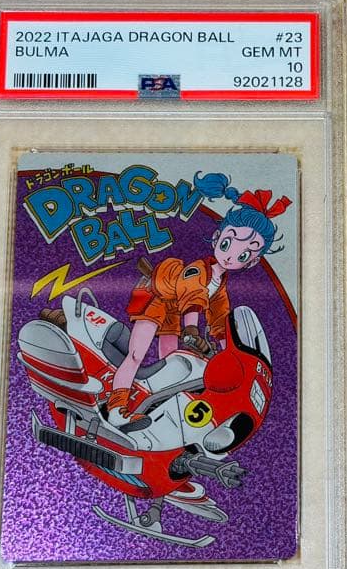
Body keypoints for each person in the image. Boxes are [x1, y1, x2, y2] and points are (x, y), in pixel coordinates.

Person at [106, 172, 290, 428]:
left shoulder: (220, 286)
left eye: (243, 255)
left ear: (252, 261)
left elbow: (219, 320)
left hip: (174, 312)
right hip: (157, 302)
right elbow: (193, 296)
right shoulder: (199, 270)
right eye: (227, 244)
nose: (231, 256)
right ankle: (116, 409)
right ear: (217, 237)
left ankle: (155, 408)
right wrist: (192, 330)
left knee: (172, 362)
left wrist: (232, 354)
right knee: (136, 355)